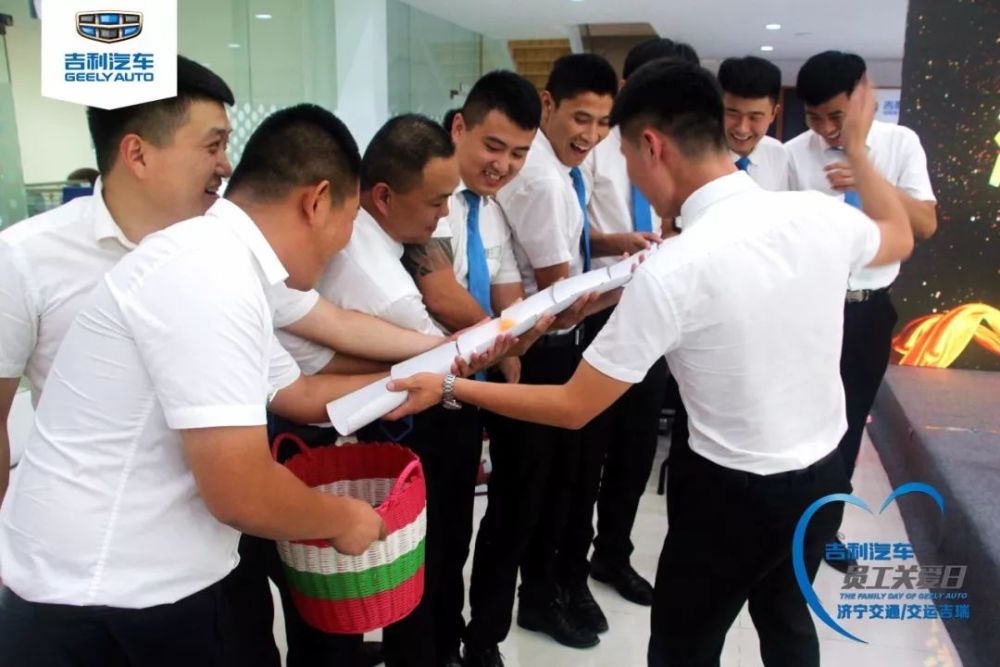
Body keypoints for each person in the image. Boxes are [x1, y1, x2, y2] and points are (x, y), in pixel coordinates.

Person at [384, 60, 916, 667]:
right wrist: (858, 151)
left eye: (625, 155)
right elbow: (899, 234)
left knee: (685, 648)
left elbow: (573, 405)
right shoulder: (816, 214)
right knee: (790, 625)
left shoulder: (676, 268)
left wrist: (450, 386)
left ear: (652, 147)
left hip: (728, 496)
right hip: (822, 479)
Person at [0, 104, 390, 666]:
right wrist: (343, 519)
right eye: (350, 223)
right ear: (317, 201)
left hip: (110, 584)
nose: (343, 246)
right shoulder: (211, 275)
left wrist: (408, 382)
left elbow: (298, 395)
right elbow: (241, 491)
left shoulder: (214, 261)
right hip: (115, 601)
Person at [276, 114, 518, 667]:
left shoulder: (380, 240)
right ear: (380, 196)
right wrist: (500, 341)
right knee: (420, 563)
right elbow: (430, 359)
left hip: (371, 409)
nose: (443, 215)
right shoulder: (378, 281)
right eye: (436, 201)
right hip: (395, 425)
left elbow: (336, 330)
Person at [455, 53, 618, 664]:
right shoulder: (536, 181)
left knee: (549, 493)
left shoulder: (548, 175)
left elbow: (534, 282)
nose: (591, 135)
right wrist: (631, 284)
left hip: (528, 347)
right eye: (581, 118)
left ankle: (520, 609)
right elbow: (557, 293)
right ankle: (484, 631)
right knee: (518, 502)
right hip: (525, 353)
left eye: (602, 123)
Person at [785, 50, 937, 571]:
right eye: (813, 117)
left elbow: (925, 225)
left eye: (836, 115)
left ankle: (824, 529)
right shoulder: (794, 154)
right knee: (798, 421)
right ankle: (787, 523)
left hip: (867, 310)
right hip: (808, 309)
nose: (826, 129)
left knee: (848, 426)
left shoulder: (900, 144)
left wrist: (864, 169)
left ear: (863, 96)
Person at [575, 37, 699, 612]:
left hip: (660, 311)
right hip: (601, 312)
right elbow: (569, 233)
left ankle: (613, 554)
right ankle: (569, 568)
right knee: (588, 447)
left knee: (635, 445)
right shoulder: (595, 150)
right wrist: (617, 243)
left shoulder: (680, 153)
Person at [717, 55, 790, 190]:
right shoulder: (693, 156)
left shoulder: (777, 153)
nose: (742, 128)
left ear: (773, 114)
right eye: (732, 113)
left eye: (755, 117)